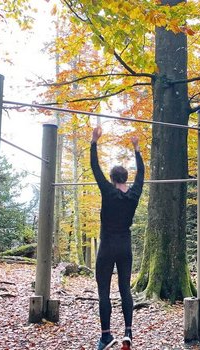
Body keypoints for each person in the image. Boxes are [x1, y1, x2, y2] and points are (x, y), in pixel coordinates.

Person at [90, 126, 144, 350]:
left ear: (112, 179)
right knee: (125, 289)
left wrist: (94, 142)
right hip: (125, 247)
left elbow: (95, 168)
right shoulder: (134, 194)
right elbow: (142, 174)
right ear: (126, 178)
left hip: (107, 247)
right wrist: (137, 149)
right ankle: (128, 332)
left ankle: (106, 336)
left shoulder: (108, 191)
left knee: (104, 290)